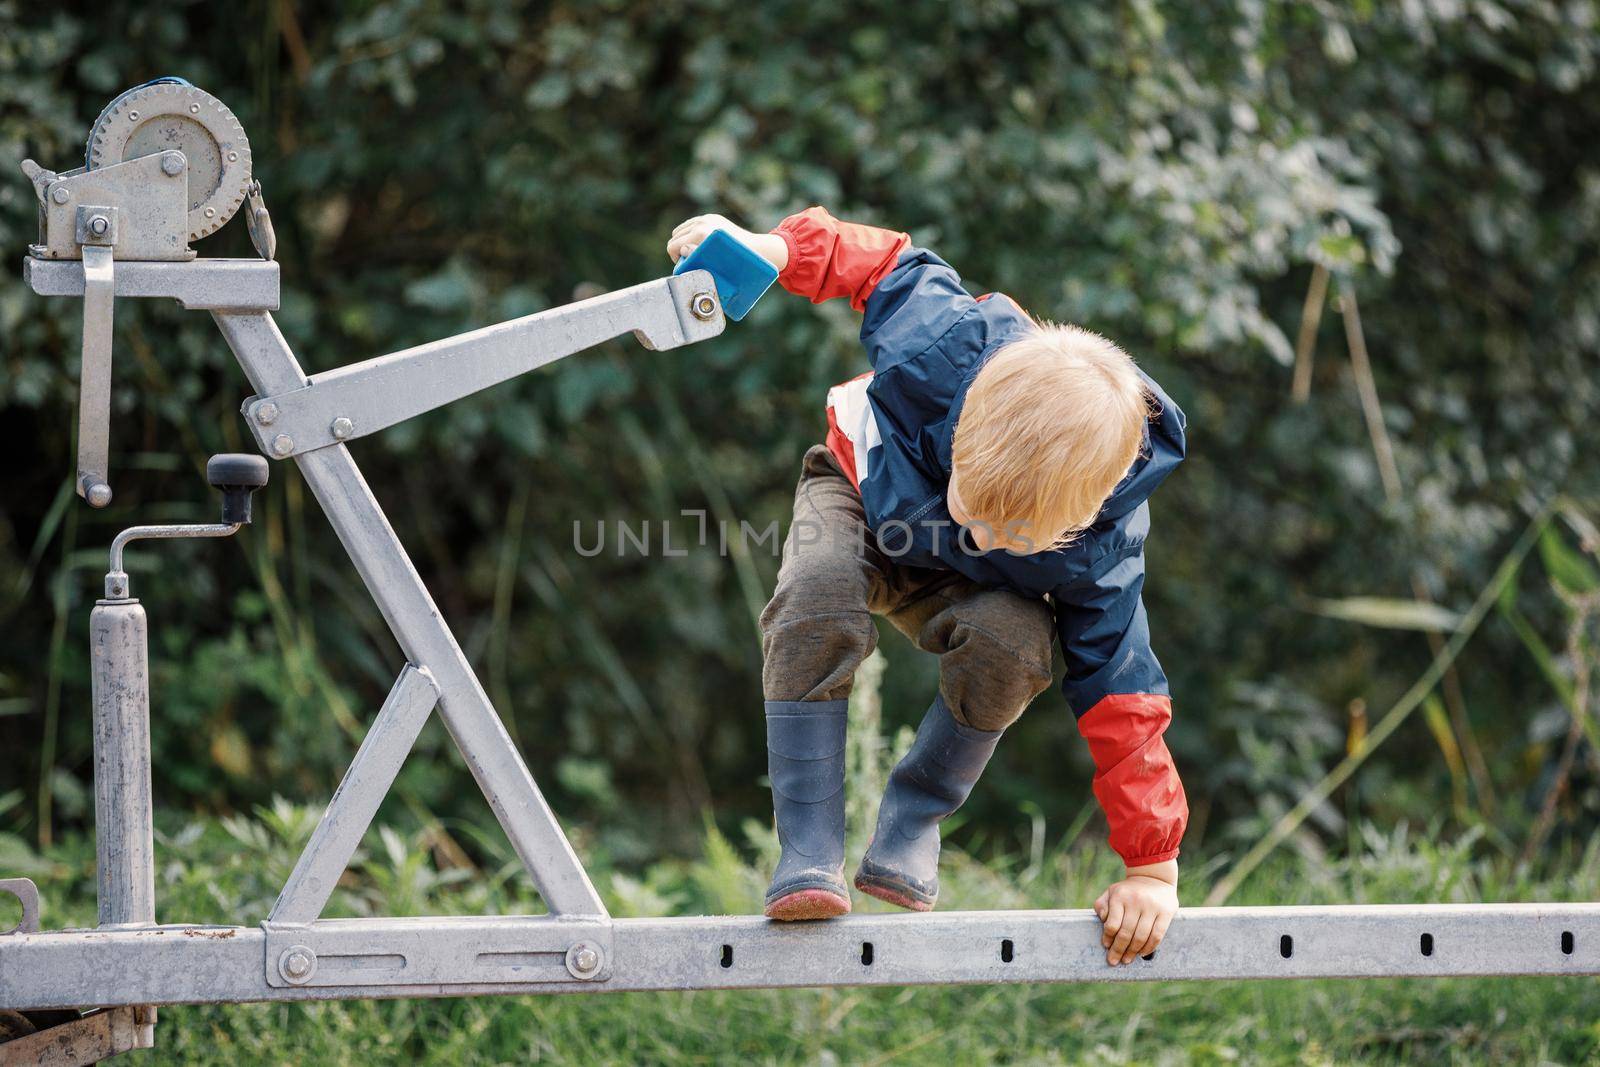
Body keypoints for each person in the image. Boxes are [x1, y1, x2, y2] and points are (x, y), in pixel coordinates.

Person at [668, 208, 1188, 966]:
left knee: (1016, 641)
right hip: (860, 494)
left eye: (1011, 536)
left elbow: (1125, 700)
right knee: (814, 591)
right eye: (971, 505)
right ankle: (809, 846)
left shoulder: (1103, 553)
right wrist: (767, 249)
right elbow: (875, 259)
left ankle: (911, 823)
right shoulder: (941, 341)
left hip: (960, 587)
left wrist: (1152, 867)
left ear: (1077, 524)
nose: (981, 533)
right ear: (966, 415)